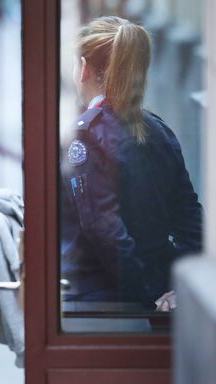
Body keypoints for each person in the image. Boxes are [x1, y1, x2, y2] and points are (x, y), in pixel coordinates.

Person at [60, 16, 203, 309]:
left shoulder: (86, 134)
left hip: (100, 305)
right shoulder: (160, 130)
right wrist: (174, 288)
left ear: (84, 68)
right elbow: (191, 221)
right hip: (159, 298)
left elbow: (105, 232)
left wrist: (146, 293)